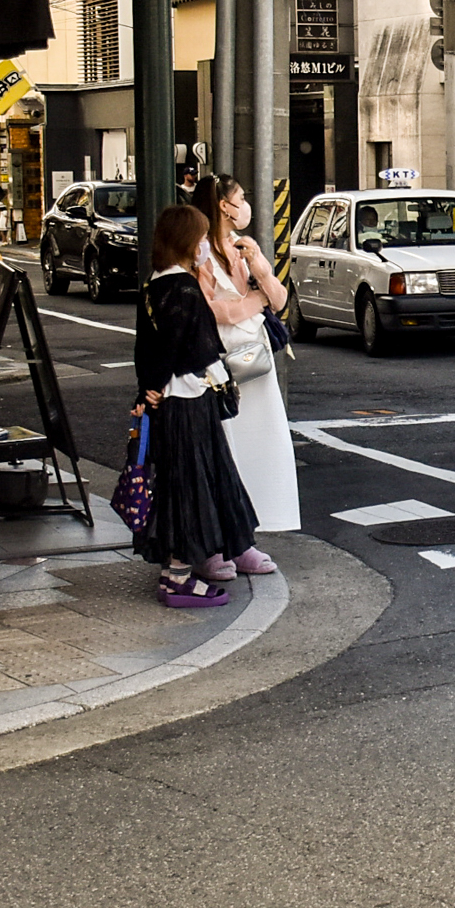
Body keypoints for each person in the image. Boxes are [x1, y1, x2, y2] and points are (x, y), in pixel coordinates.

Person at [132, 205, 259, 607]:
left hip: (169, 399)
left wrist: (147, 390)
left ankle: (177, 574)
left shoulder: (155, 283)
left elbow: (147, 347)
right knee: (193, 487)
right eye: (201, 237)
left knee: (179, 486)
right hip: (187, 398)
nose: (205, 245)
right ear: (189, 242)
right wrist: (156, 384)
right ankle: (178, 579)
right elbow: (180, 347)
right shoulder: (183, 289)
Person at [190, 175, 297, 555]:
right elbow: (207, 309)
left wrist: (260, 269)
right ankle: (231, 538)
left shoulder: (243, 246)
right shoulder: (200, 251)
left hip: (256, 361)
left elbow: (280, 300)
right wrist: (252, 304)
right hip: (223, 364)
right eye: (241, 197)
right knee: (230, 445)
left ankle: (251, 530)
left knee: (262, 442)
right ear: (224, 205)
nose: (245, 205)